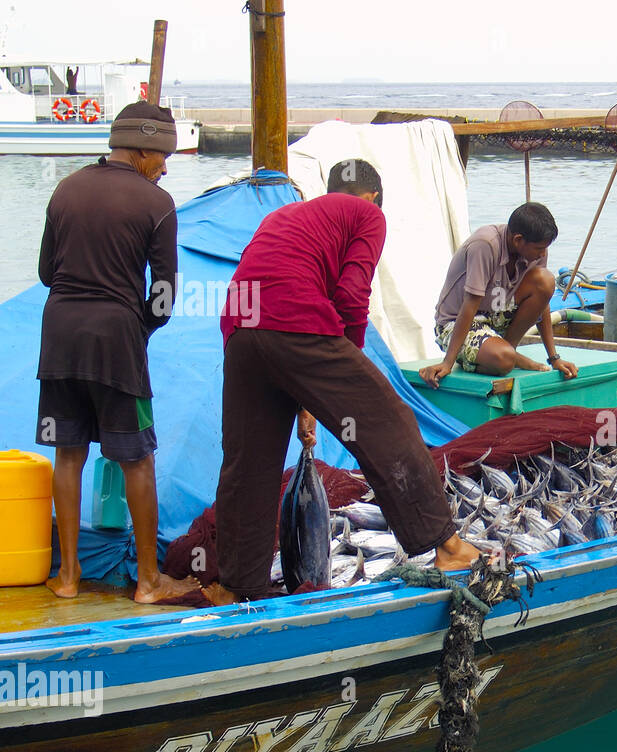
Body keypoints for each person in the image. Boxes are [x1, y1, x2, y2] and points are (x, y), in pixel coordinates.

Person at [203, 160, 479, 606]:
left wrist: (308, 400)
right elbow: (351, 295)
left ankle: (237, 585)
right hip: (293, 320)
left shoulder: (284, 217)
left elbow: (277, 320)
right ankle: (448, 548)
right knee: (388, 424)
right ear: (372, 197)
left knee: (247, 465)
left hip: (241, 329)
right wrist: (348, 358)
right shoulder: (368, 214)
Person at [35, 102, 197, 604]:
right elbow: (164, 295)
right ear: (144, 148)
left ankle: (66, 579)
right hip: (117, 343)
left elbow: (46, 272)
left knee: (67, 453)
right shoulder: (158, 203)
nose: (166, 167)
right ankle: (148, 581)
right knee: (137, 460)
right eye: (163, 156)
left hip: (58, 333)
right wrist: (137, 327)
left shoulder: (65, 188)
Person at [420, 203, 578, 388]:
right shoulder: (485, 246)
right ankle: (509, 356)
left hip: (496, 314)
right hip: (457, 323)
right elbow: (470, 305)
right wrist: (448, 363)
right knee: (504, 360)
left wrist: (554, 358)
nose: (543, 253)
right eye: (539, 248)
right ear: (518, 239)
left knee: (546, 280)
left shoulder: (535, 251)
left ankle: (508, 351)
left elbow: (543, 301)